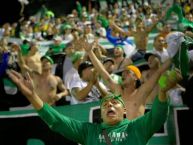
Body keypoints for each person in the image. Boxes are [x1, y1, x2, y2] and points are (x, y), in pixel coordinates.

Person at [6, 68, 181, 145]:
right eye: (105, 104)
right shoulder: (88, 132)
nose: (109, 104)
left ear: (125, 111)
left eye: (114, 102)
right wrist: (32, 95)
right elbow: (56, 121)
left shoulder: (137, 128)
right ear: (101, 113)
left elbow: (158, 115)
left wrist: (163, 90)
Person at [85, 42, 172, 120]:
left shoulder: (141, 92)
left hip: (137, 135)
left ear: (135, 77)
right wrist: (90, 52)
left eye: (127, 72)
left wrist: (175, 53)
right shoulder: (118, 91)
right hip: (120, 135)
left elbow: (159, 72)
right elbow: (103, 72)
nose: (123, 74)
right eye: (123, 72)